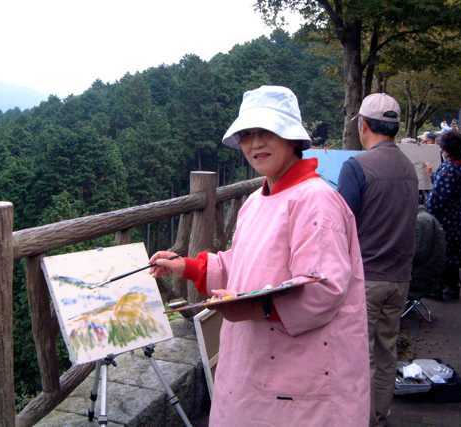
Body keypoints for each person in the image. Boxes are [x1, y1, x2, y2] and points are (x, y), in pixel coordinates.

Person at [150, 85, 370, 427]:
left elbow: (323, 289)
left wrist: (254, 307)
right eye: (247, 135)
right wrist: (185, 266)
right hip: (256, 361)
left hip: (300, 372)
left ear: (291, 138)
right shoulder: (256, 200)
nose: (255, 144)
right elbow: (243, 264)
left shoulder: (316, 200)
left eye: (267, 132)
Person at [337, 93, 418, 427]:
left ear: (363, 125)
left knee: (360, 355)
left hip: (366, 277)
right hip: (400, 278)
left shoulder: (356, 167)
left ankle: (361, 419)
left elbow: (341, 226)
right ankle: (379, 415)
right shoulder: (409, 167)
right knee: (386, 351)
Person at [426, 131, 461, 301]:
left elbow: (437, 199)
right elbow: (447, 187)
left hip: (445, 218)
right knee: (452, 253)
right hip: (457, 216)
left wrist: (425, 210)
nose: (441, 150)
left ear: (447, 149)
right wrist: (432, 175)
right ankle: (452, 288)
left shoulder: (449, 169)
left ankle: (438, 289)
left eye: (442, 147)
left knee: (441, 252)